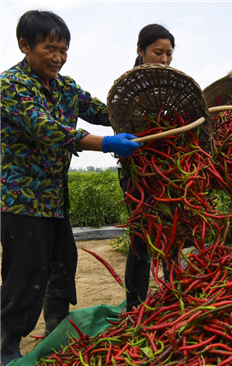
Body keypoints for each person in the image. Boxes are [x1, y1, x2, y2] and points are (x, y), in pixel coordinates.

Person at [0, 10, 141, 364]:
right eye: (51, 48)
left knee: (61, 265)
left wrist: (138, 113)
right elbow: (44, 128)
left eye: (64, 50)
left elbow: (102, 110)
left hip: (54, 198)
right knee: (25, 273)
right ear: (25, 46)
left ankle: (56, 331)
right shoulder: (11, 85)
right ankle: (6, 345)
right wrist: (105, 144)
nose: (59, 58)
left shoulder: (65, 87)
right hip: (20, 198)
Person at [119, 23, 175, 312]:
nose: (164, 59)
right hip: (138, 172)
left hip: (172, 172)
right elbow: (120, 120)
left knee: (173, 234)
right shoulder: (130, 86)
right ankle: (135, 305)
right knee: (142, 238)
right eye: (157, 52)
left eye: (169, 53)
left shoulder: (175, 86)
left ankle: (175, 296)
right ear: (141, 51)